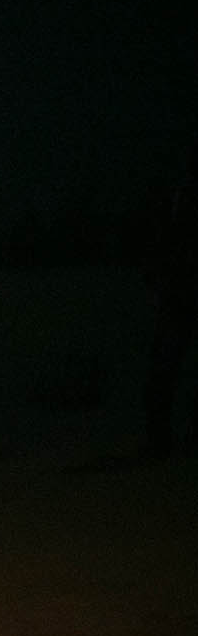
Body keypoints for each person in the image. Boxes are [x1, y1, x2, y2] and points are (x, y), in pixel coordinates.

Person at [142, 142, 198, 458]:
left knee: (164, 369)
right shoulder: (179, 199)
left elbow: (163, 244)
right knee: (164, 369)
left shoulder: (179, 198)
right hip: (179, 294)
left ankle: (162, 441)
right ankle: (162, 440)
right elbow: (164, 244)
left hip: (179, 295)